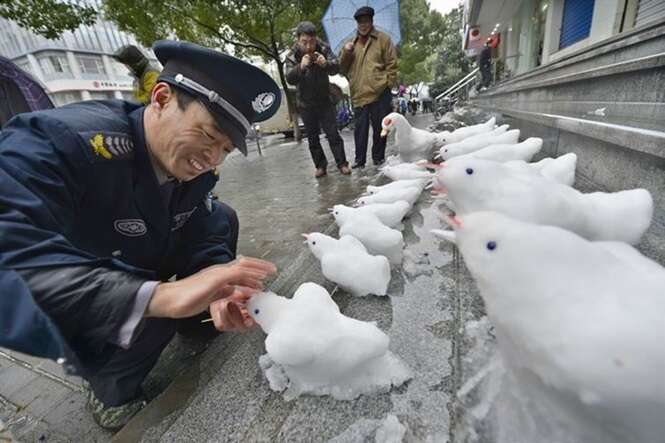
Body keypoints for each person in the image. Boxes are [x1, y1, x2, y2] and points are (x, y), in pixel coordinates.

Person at [0, 40, 282, 430]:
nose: (213, 158)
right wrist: (156, 296)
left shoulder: (193, 161)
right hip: (78, 295)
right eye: (208, 134)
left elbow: (202, 224)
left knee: (224, 218)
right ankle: (109, 388)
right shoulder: (63, 143)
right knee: (149, 312)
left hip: (139, 252)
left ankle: (194, 317)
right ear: (162, 97)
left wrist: (218, 281)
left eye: (226, 148)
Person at [286, 21, 350, 178]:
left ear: (316, 38)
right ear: (298, 40)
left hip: (324, 101)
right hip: (305, 104)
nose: (309, 46)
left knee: (333, 134)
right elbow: (289, 78)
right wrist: (300, 67)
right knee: (313, 138)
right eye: (304, 42)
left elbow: (336, 67)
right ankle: (320, 166)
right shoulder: (292, 55)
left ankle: (342, 163)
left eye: (312, 42)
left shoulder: (324, 48)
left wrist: (326, 64)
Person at [339, 6, 397, 169]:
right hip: (359, 93)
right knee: (360, 130)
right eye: (360, 22)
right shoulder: (350, 44)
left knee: (381, 127)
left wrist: (388, 84)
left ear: (372, 21)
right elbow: (342, 69)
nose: (363, 25)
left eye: (366, 21)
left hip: (380, 92)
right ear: (357, 24)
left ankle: (378, 157)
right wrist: (346, 53)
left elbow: (392, 64)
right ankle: (359, 160)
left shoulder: (383, 39)